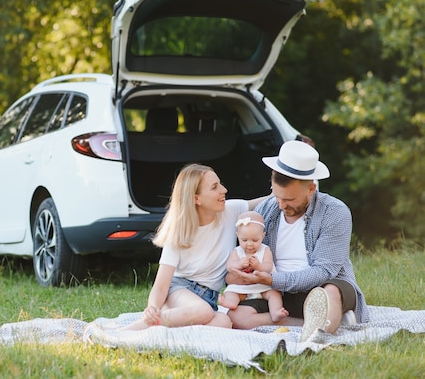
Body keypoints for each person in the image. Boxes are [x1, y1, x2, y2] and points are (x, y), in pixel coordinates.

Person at [225, 140, 369, 342]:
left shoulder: (335, 212)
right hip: (277, 293)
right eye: (277, 197)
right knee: (236, 315)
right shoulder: (266, 210)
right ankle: (316, 323)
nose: (282, 205)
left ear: (311, 188)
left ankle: (322, 326)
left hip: (321, 286)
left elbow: (324, 271)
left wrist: (272, 279)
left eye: (290, 200)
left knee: (330, 292)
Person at [122, 163, 266, 330]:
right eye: (214, 187)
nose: (224, 190)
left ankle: (169, 323)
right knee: (202, 311)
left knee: (224, 322)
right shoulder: (180, 232)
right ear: (196, 198)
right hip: (180, 290)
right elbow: (161, 284)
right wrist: (152, 308)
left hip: (209, 298)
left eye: (220, 184)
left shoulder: (231, 210)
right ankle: (128, 331)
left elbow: (263, 201)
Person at [218, 211, 289, 323]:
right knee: (231, 292)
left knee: (274, 294)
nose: (249, 244)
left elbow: (268, 266)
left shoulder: (265, 250)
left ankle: (275, 312)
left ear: (262, 236)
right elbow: (230, 266)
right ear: (238, 236)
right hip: (241, 288)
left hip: (262, 286)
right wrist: (239, 264)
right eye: (244, 240)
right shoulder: (237, 251)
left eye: (255, 240)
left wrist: (259, 266)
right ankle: (230, 303)